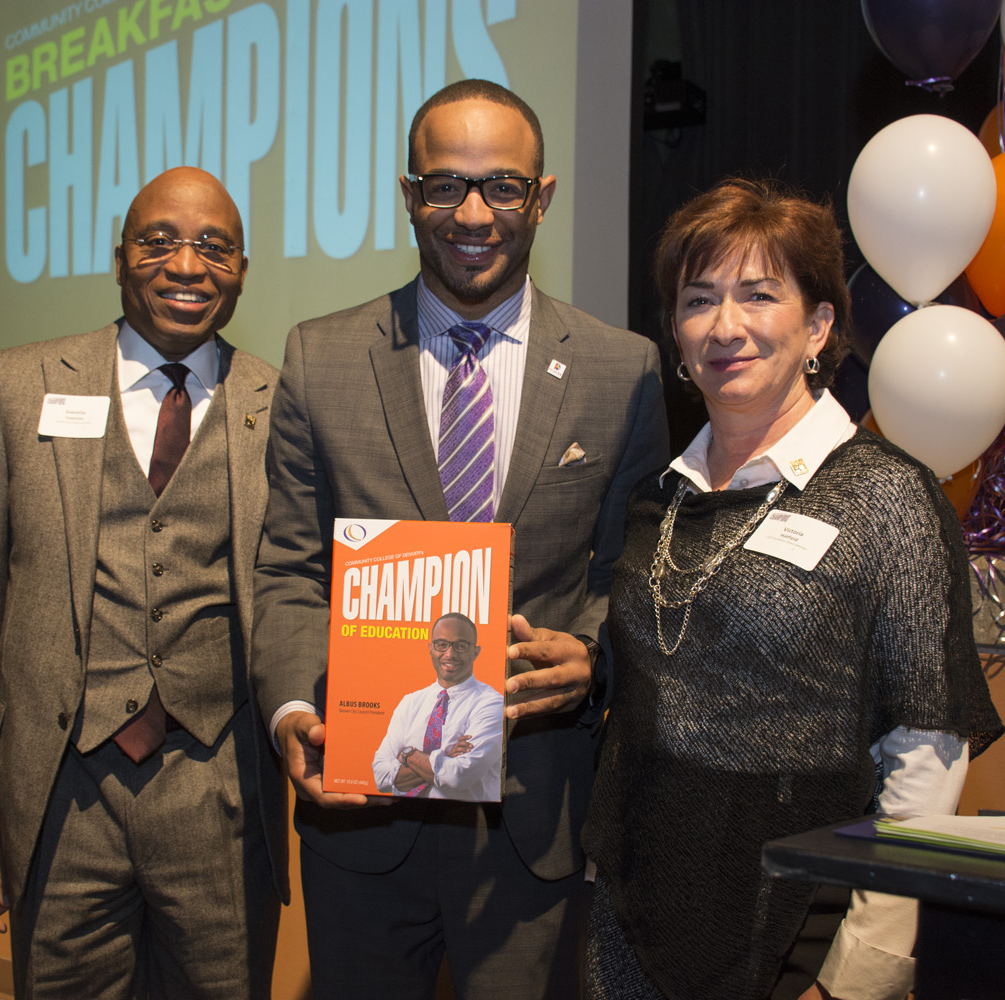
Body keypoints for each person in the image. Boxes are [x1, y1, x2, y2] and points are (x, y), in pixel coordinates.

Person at [251, 79, 668, 998]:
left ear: (543, 197)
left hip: (535, 813)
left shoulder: (621, 368)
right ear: (410, 197)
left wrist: (593, 655)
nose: (472, 213)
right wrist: (290, 712)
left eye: (502, 187)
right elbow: (287, 568)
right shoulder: (321, 357)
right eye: (444, 186)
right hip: (363, 804)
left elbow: (631, 572)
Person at [580, 178, 1004, 1000]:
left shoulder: (886, 497)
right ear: (675, 332)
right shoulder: (657, 497)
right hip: (635, 917)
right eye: (698, 300)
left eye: (758, 295)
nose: (725, 326)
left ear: (817, 326)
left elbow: (925, 755)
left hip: (799, 928)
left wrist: (861, 969)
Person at [0, 166, 286, 999]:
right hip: (60, 791)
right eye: (158, 241)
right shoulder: (16, 387)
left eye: (214, 247)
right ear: (120, 255)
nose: (186, 265)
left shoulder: (281, 401)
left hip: (220, 793)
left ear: (241, 270)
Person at [372, 612, 506, 801]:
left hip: (464, 820)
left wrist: (408, 755)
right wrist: (446, 756)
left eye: (460, 646)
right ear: (431, 648)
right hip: (404, 816)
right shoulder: (410, 702)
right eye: (441, 645)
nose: (449, 654)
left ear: (475, 652)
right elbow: (381, 776)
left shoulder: (492, 704)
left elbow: (459, 776)